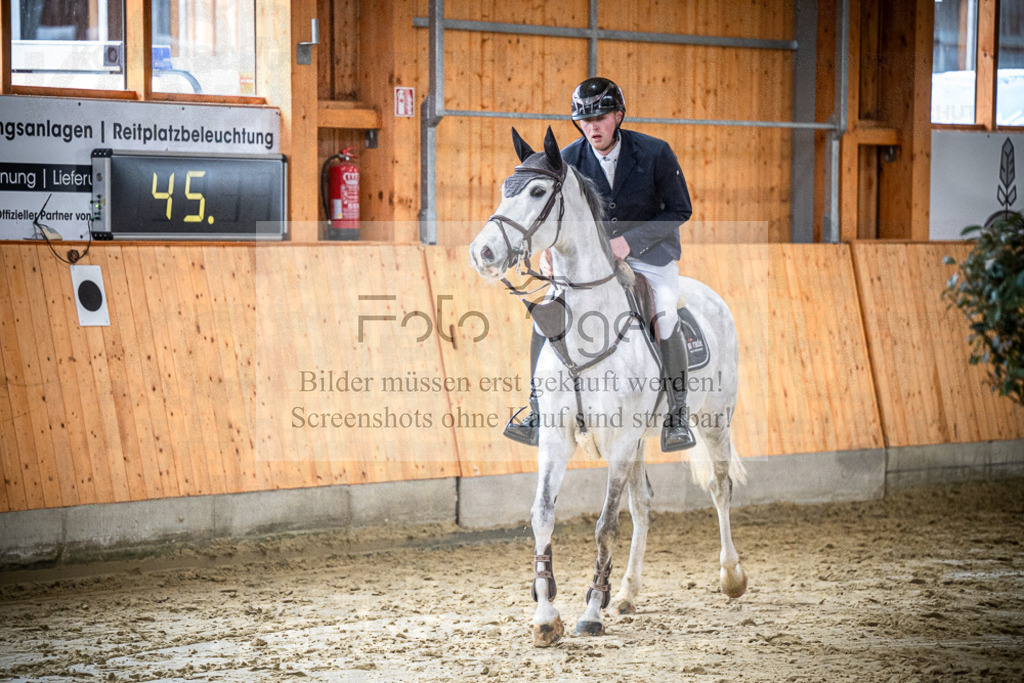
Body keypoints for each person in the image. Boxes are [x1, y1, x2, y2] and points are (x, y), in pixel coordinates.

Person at [503, 76, 697, 452]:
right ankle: (537, 410)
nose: (593, 127)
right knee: (546, 313)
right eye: (585, 120)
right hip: (591, 265)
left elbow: (680, 209)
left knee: (666, 314)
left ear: (618, 116)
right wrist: (550, 247)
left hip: (651, 256)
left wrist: (628, 242)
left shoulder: (656, 153)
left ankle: (677, 415)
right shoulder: (569, 159)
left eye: (601, 117)